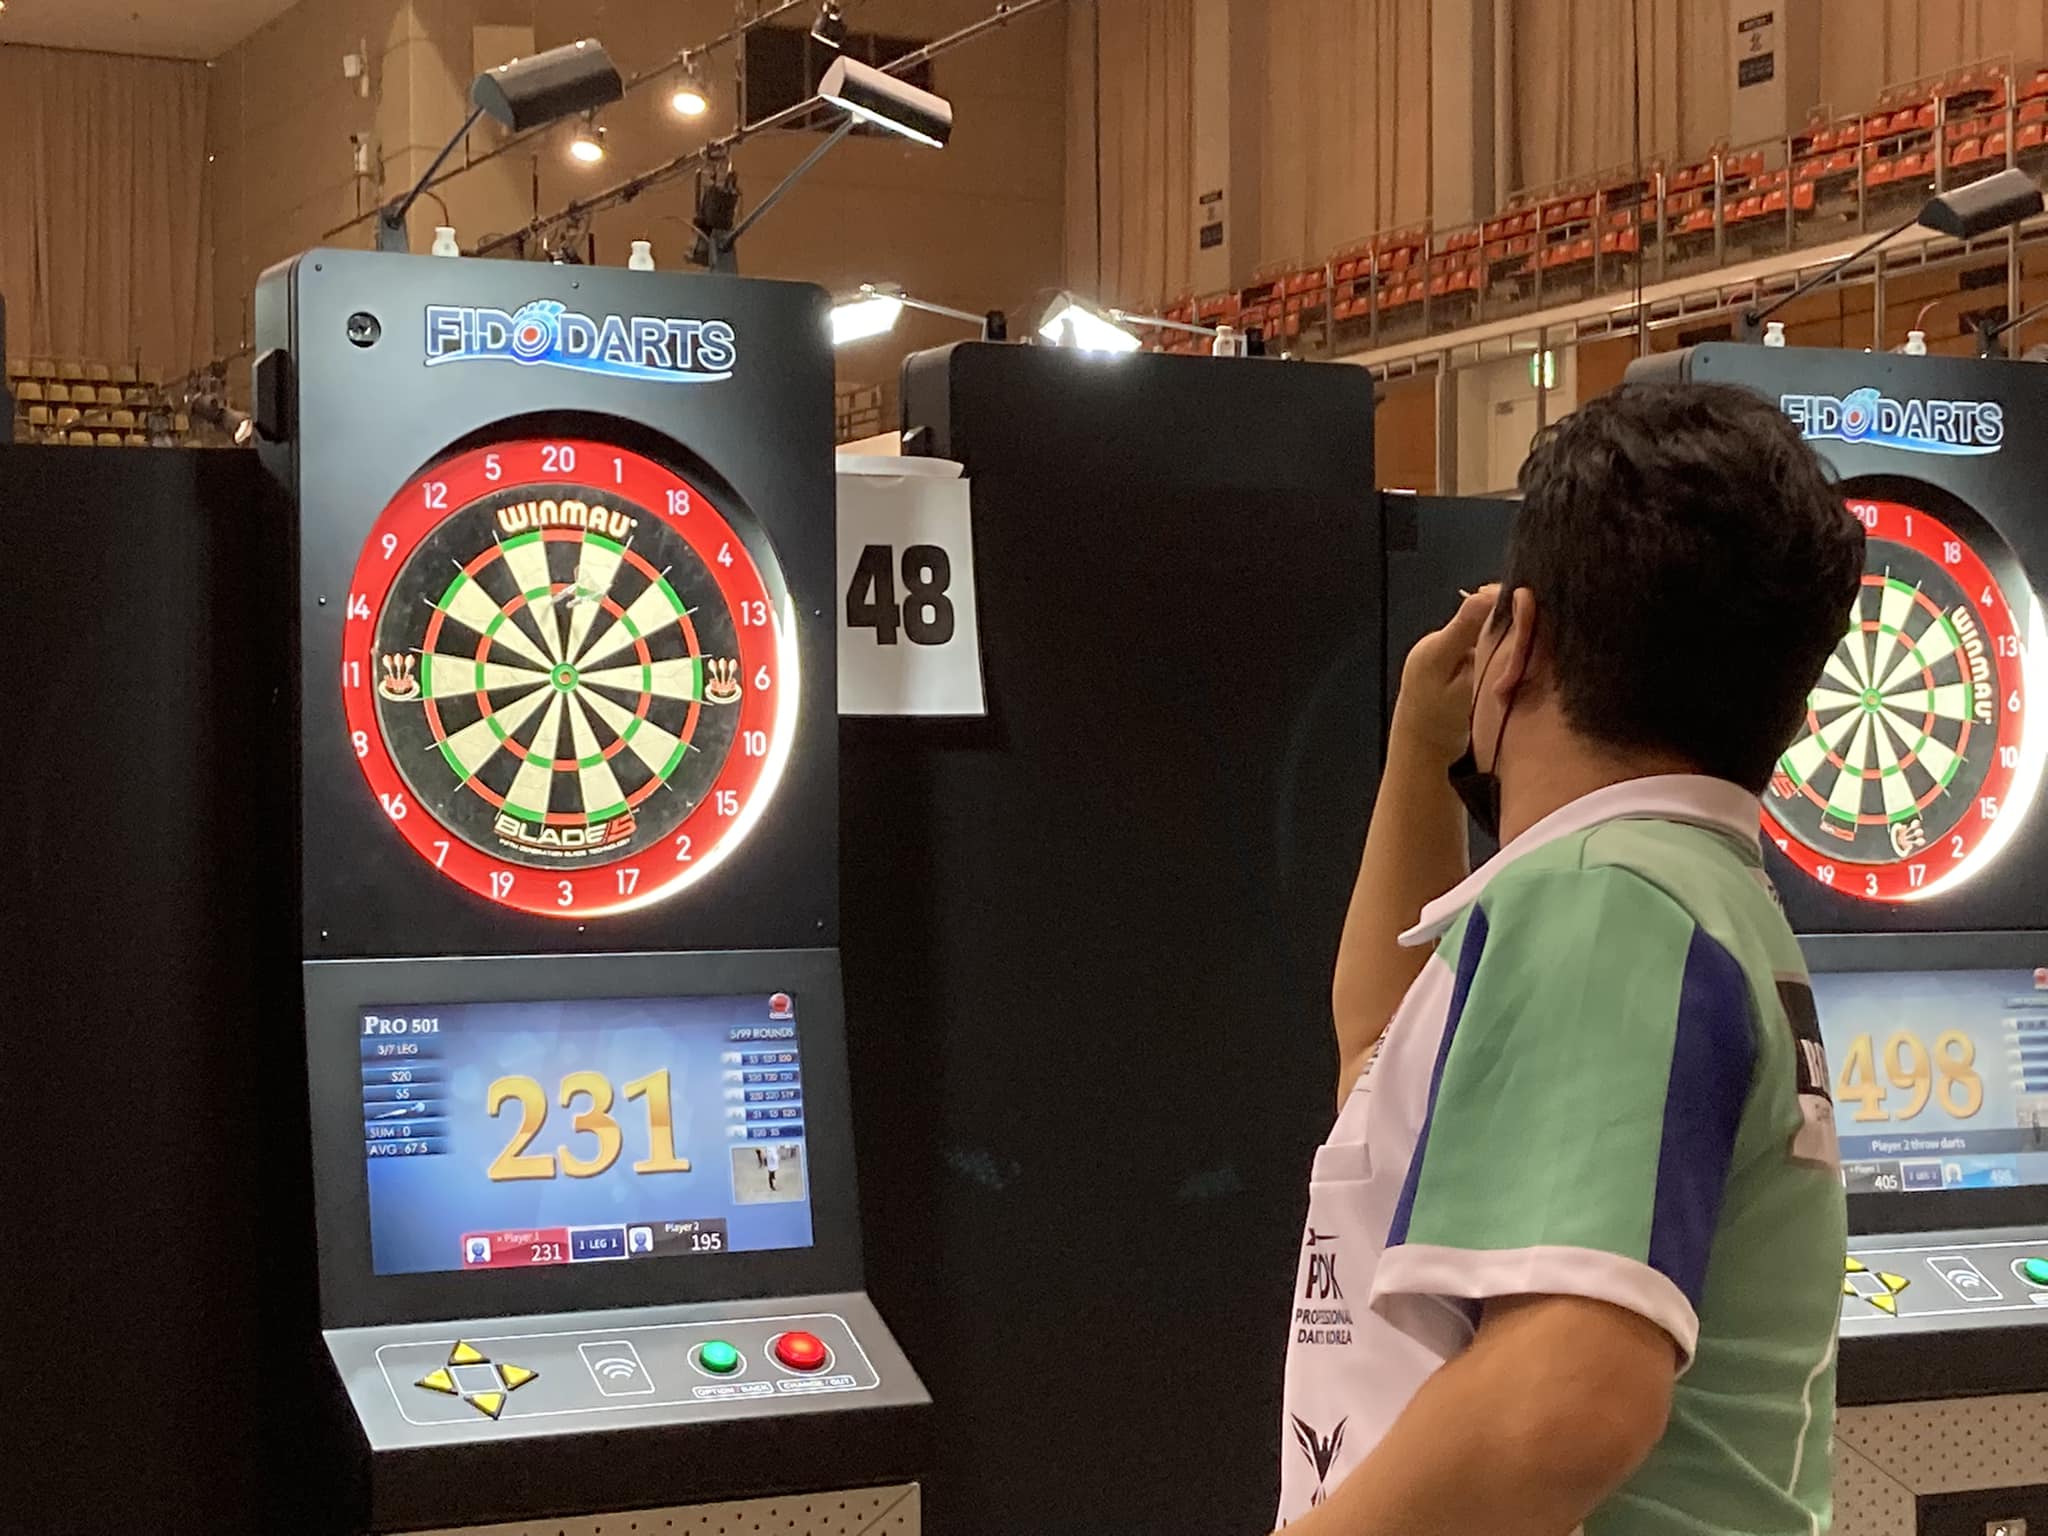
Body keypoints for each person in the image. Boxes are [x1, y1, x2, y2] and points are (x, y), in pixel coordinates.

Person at [1277, 382, 1865, 1535]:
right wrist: (1421, 744)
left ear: (1518, 645)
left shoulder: (1604, 901)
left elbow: (1565, 1403)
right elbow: (1379, 1068)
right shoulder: (1674, 890)